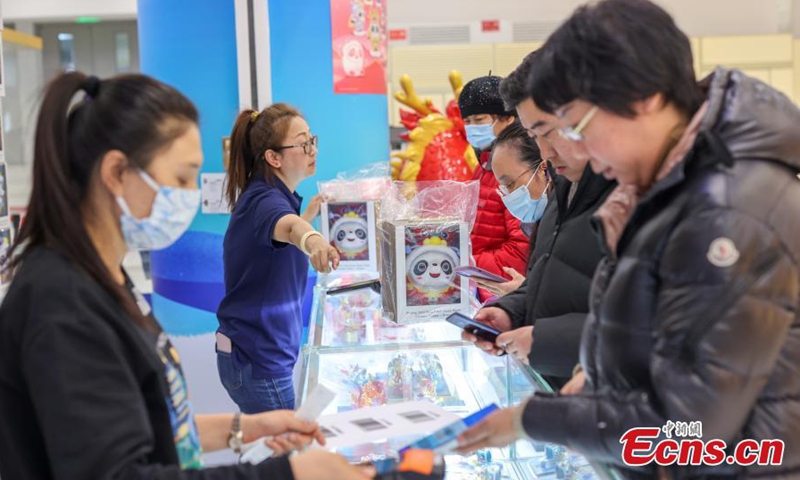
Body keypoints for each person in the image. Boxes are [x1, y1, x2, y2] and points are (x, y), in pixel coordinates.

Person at [457, 0, 800, 476]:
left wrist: (533, 418)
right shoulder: (666, 185)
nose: (580, 151)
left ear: (644, 98)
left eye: (578, 125)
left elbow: (691, 428)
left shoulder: (727, 211)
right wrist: (599, 371)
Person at [0, 72, 371, 479]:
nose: (191, 195)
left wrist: (246, 428)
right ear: (117, 173)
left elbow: (145, 428)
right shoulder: (63, 304)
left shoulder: (103, 280)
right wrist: (290, 475)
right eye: (180, 178)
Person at [465, 50, 616, 386]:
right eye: (536, 138)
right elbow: (545, 279)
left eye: (549, 132)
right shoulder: (561, 190)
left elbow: (642, 326)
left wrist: (544, 339)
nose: (546, 153)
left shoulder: (627, 199)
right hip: (554, 386)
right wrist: (509, 311)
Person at [217, 104, 340, 414]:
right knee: (284, 454)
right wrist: (315, 242)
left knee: (269, 449)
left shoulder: (270, 195)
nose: (312, 149)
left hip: (251, 356)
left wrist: (310, 213)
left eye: (312, 140)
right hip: (260, 365)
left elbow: (285, 232)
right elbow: (290, 228)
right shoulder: (266, 201)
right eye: (303, 143)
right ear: (274, 158)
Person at [458, 75, 530, 303]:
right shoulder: (484, 166)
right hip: (483, 289)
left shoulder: (514, 169)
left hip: (500, 292)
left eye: (479, 119)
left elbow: (520, 248)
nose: (471, 128)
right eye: (467, 121)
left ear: (507, 118)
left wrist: (468, 263)